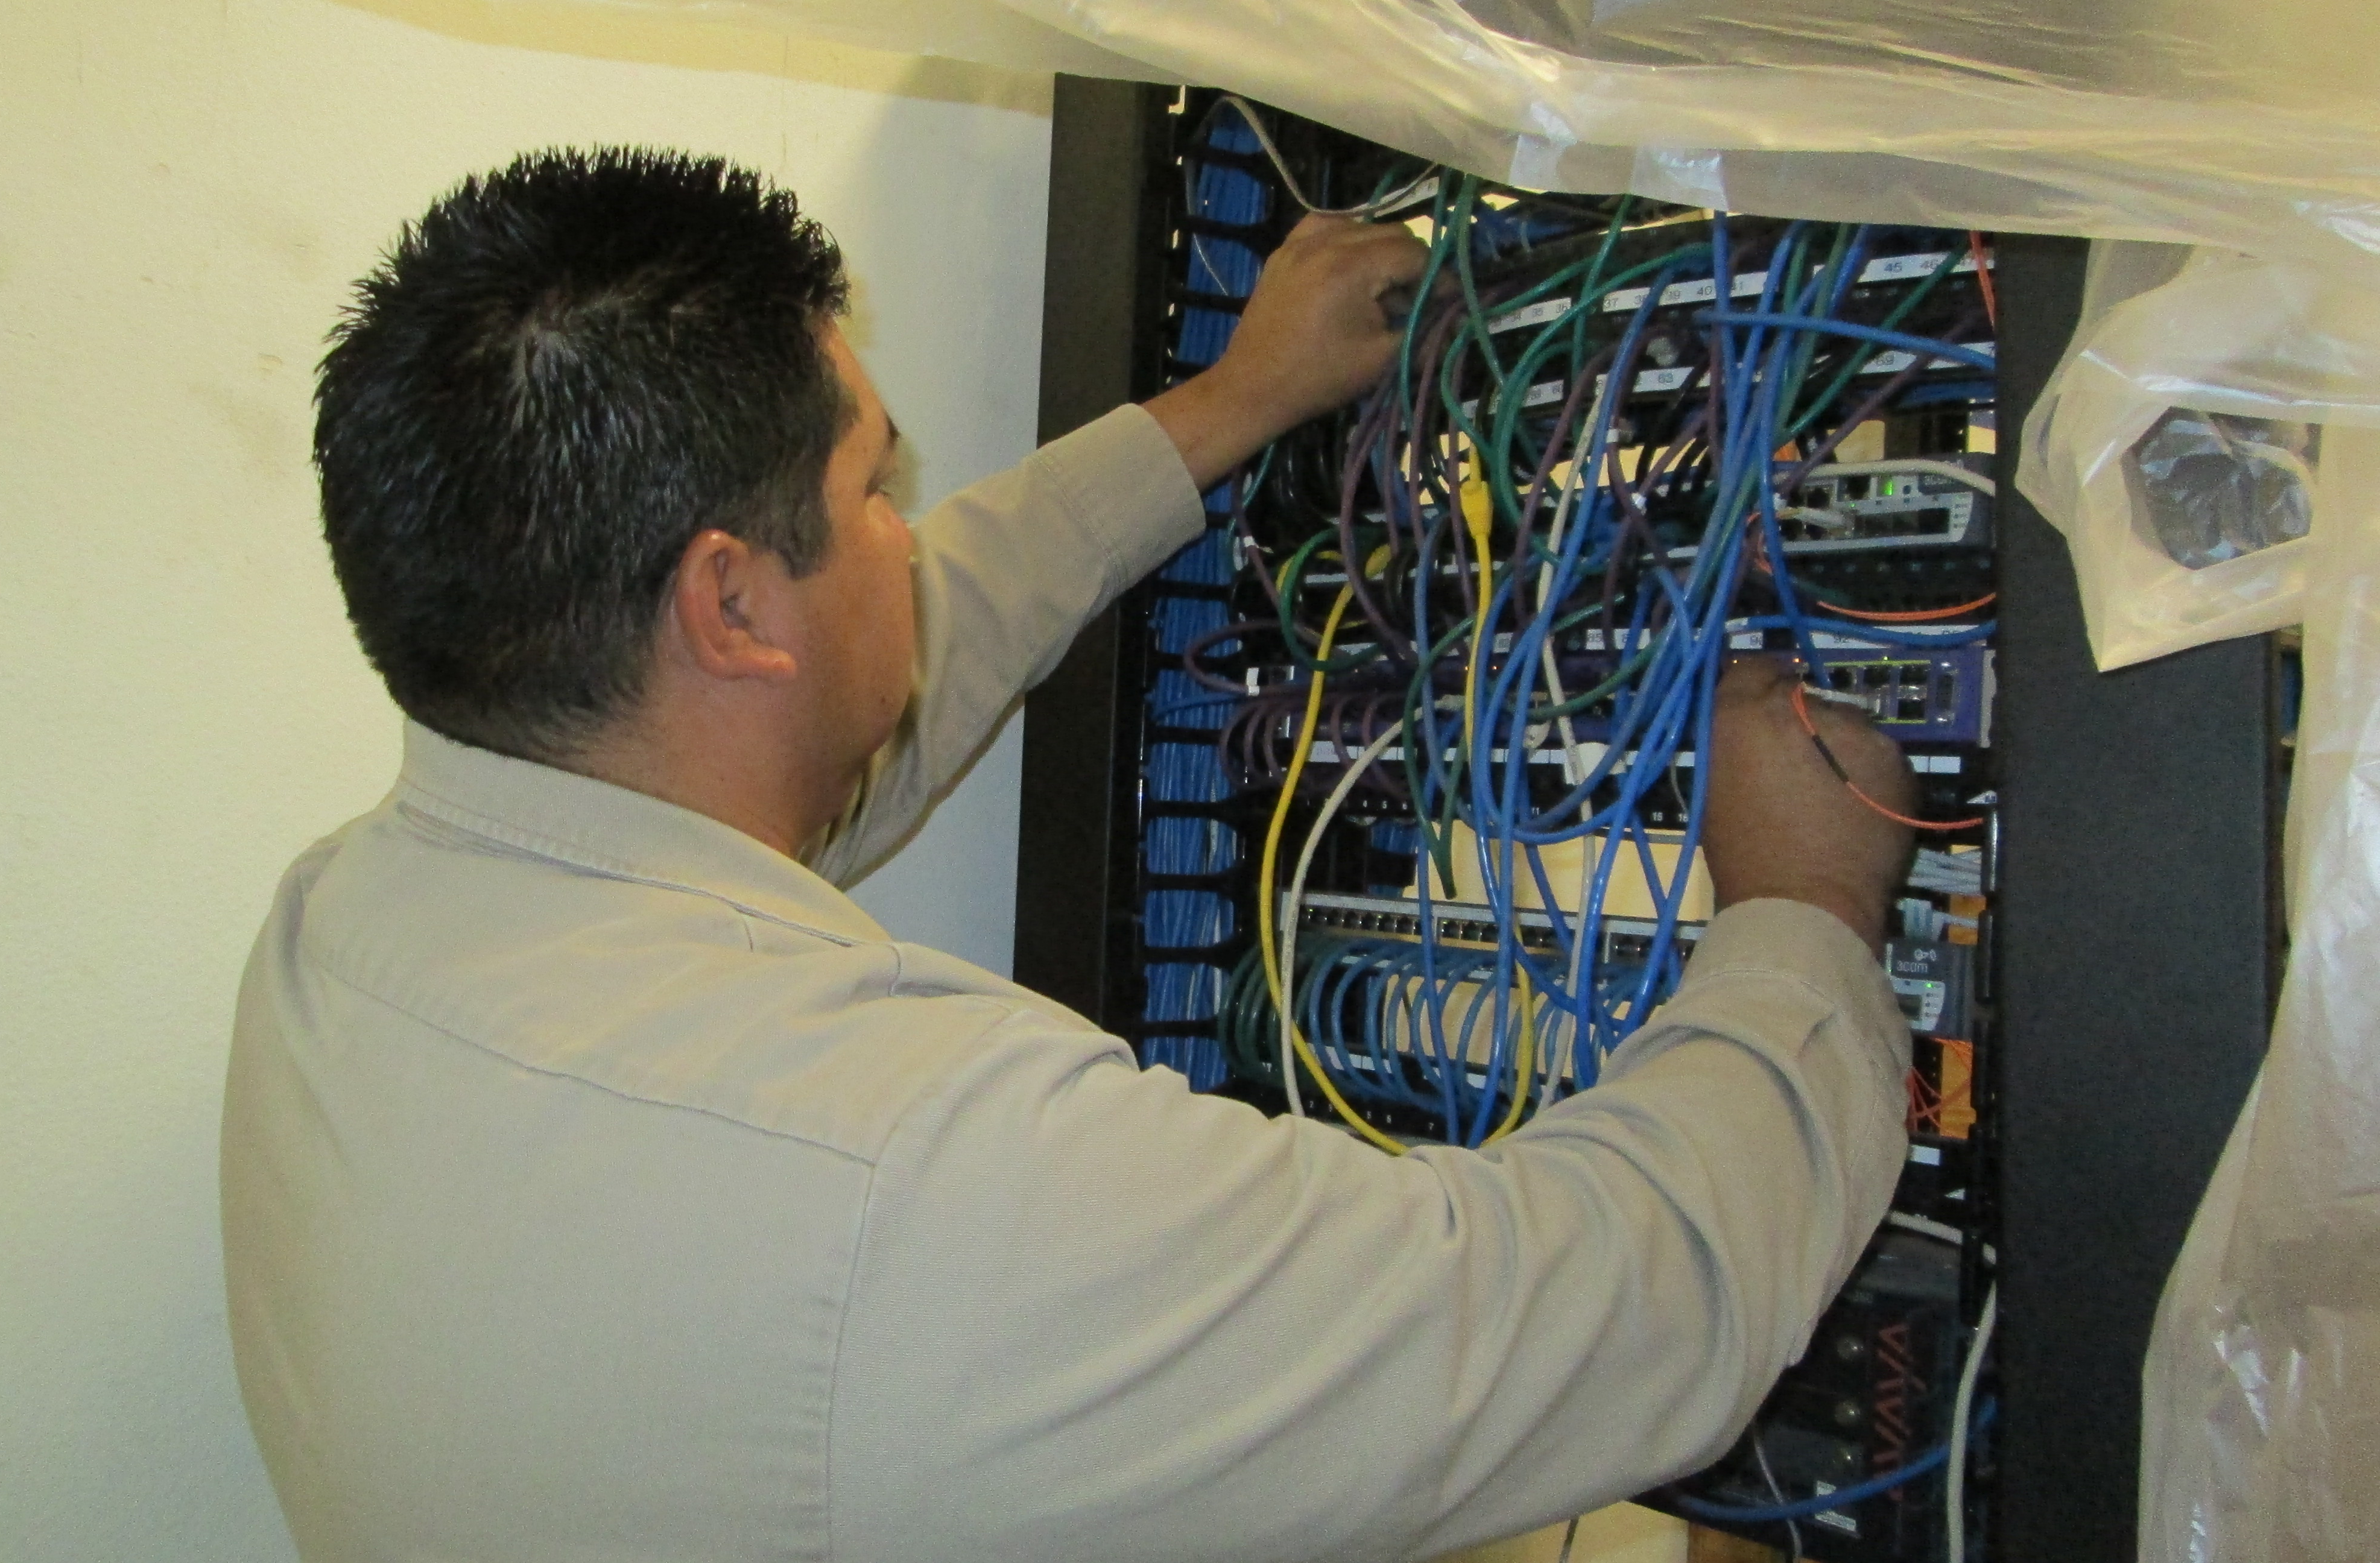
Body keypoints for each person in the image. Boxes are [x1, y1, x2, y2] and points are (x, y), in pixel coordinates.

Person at [221, 147, 1918, 1563]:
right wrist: (1804, 907)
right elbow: (1607, 1314)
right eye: (872, 491)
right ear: (731, 605)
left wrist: (1233, 404)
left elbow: (858, 694)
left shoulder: (358, 929)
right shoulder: (913, 1186)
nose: (902, 538)